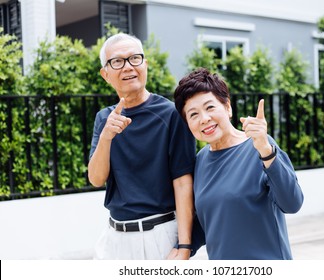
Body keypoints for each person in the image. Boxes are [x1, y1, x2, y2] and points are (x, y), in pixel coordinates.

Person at [172, 68, 304, 260]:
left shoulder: (260, 145)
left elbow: (292, 203)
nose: (204, 119)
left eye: (210, 107)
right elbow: (209, 221)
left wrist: (266, 152)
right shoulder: (200, 160)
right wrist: (181, 250)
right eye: (193, 115)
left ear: (227, 107)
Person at [88, 33, 196, 260]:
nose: (128, 67)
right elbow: (96, 179)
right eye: (117, 61)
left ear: (145, 64)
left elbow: (183, 182)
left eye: (134, 58)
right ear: (105, 74)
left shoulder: (171, 114)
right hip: (114, 237)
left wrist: (185, 245)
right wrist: (107, 136)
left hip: (159, 234)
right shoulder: (104, 118)